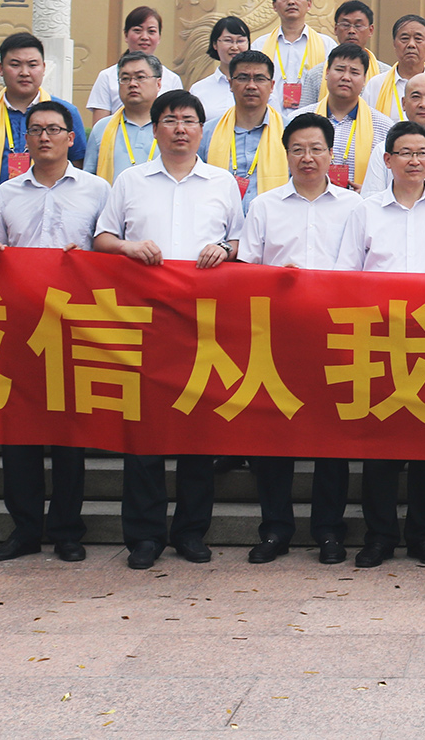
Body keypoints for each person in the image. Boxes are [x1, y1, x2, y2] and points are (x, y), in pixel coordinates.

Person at [92, 89, 242, 570]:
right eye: (171, 120)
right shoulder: (131, 180)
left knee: (198, 433)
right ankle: (144, 536)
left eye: (189, 120)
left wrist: (225, 249)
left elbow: (240, 240)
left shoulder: (222, 182)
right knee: (144, 435)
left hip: (202, 324)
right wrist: (128, 247)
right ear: (155, 129)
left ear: (201, 130)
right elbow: (102, 237)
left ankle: (191, 532)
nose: (180, 128)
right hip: (143, 321)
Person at [0, 101, 106, 563]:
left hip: (75, 323)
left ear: (71, 138)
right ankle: (25, 529)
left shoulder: (97, 189)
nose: (45, 137)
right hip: (20, 323)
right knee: (19, 432)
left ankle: (68, 529)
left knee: (70, 433)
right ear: (26, 140)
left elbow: (108, 251)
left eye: (54, 129)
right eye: (35, 130)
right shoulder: (7, 193)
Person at [238, 113, 366, 565]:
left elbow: (359, 270)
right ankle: (275, 529)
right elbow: (247, 270)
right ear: (286, 154)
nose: (307, 157)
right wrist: (277, 279)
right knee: (274, 437)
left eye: (316, 149)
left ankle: (329, 530)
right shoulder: (264, 205)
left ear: (331, 155)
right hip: (278, 335)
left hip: (335, 334)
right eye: (298, 149)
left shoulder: (354, 206)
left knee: (331, 439)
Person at [353, 120, 425, 567]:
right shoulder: (364, 210)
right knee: (379, 445)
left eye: (422, 152)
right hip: (377, 337)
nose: (415, 160)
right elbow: (347, 273)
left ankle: (424, 535)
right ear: (387, 160)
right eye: (405, 152)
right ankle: (379, 535)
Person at [0, 31, 87, 210]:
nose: (24, 72)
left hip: (52, 212)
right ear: (1, 69)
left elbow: (79, 168)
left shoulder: (66, 113)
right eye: (15, 65)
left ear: (43, 68)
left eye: (32, 65)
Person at [201, 50, 288, 211]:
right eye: (243, 78)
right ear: (230, 84)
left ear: (271, 86)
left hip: (274, 220)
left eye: (260, 79)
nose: (251, 86)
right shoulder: (207, 133)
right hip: (220, 221)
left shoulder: (289, 132)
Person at [306, 42, 390, 192]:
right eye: (339, 70)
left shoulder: (383, 126)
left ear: (364, 79)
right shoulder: (302, 120)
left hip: (361, 203)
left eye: (354, 72)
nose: (346, 77)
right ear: (326, 73)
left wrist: (370, 191)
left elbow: (391, 176)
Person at [85, 5, 184, 124]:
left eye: (151, 31)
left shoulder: (172, 79)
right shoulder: (106, 76)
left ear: (159, 37)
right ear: (126, 35)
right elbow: (100, 126)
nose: (144, 37)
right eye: (137, 30)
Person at [256, 0, 332, 111]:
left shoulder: (327, 45)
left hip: (314, 119)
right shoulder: (259, 46)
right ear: (274, 5)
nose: (291, 1)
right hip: (269, 120)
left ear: (309, 4)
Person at [85, 51, 162, 181]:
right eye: (125, 79)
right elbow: (89, 180)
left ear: (158, 84)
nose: (132, 84)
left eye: (140, 77)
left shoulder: (170, 127)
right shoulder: (102, 128)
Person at [362, 14, 425, 119]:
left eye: (418, 39)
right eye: (405, 38)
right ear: (394, 44)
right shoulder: (375, 85)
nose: (411, 44)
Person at [191, 15, 252, 122]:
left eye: (240, 41)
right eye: (228, 40)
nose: (234, 47)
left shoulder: (259, 86)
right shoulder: (199, 89)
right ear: (215, 44)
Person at [331, 0, 384, 81]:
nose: (351, 31)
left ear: (370, 30)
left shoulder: (384, 74)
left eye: (358, 26)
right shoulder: (318, 74)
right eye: (345, 25)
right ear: (336, 29)